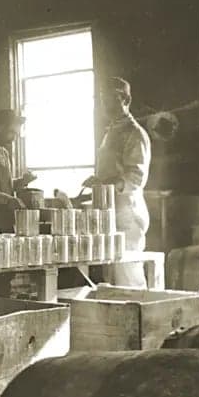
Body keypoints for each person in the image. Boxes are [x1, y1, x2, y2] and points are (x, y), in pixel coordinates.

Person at [83, 77, 151, 287]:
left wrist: (107, 184)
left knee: (128, 280)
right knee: (111, 281)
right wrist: (98, 180)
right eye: (103, 99)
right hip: (109, 214)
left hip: (127, 215)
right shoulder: (111, 132)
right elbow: (111, 172)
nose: (106, 105)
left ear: (126, 99)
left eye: (111, 99)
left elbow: (135, 178)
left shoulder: (135, 133)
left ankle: (143, 318)